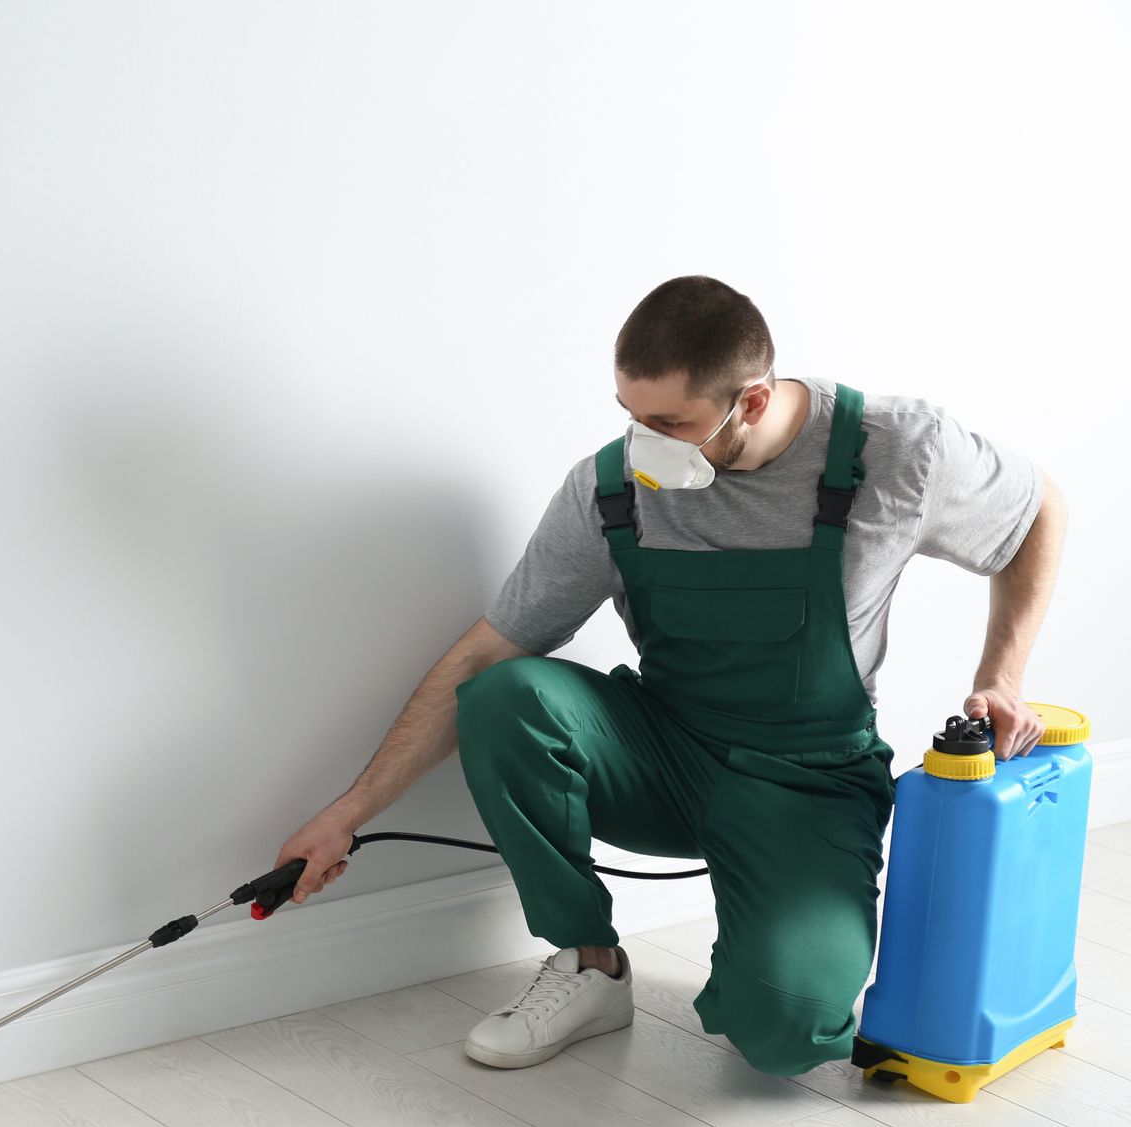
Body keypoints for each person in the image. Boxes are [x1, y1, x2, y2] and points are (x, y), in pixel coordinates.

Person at [271, 274, 1066, 1077]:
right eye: (630, 414)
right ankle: (588, 964)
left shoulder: (895, 450)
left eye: (669, 423)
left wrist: (1001, 677)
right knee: (505, 697)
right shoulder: (610, 488)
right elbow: (487, 652)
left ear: (751, 402)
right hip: (665, 756)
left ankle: (769, 945)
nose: (642, 441)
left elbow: (1039, 510)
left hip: (809, 781)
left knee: (785, 1035)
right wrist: (349, 811)